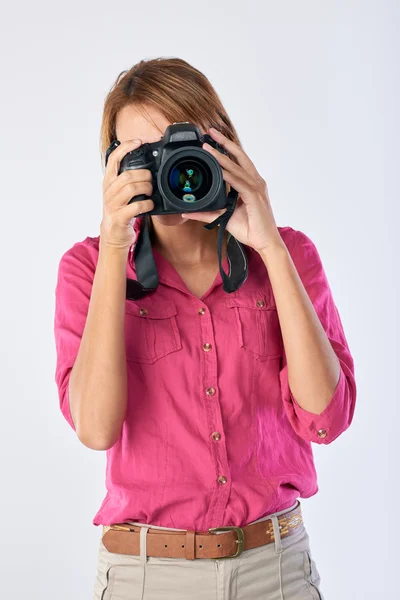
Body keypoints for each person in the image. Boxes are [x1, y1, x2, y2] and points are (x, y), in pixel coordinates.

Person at [53, 57, 357, 600]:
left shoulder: (288, 255)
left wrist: (268, 242)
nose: (167, 170)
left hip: (276, 571)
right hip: (147, 577)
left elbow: (325, 421)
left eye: (178, 147)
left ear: (221, 148)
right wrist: (115, 243)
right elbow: (95, 428)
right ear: (113, 168)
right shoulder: (89, 269)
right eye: (142, 157)